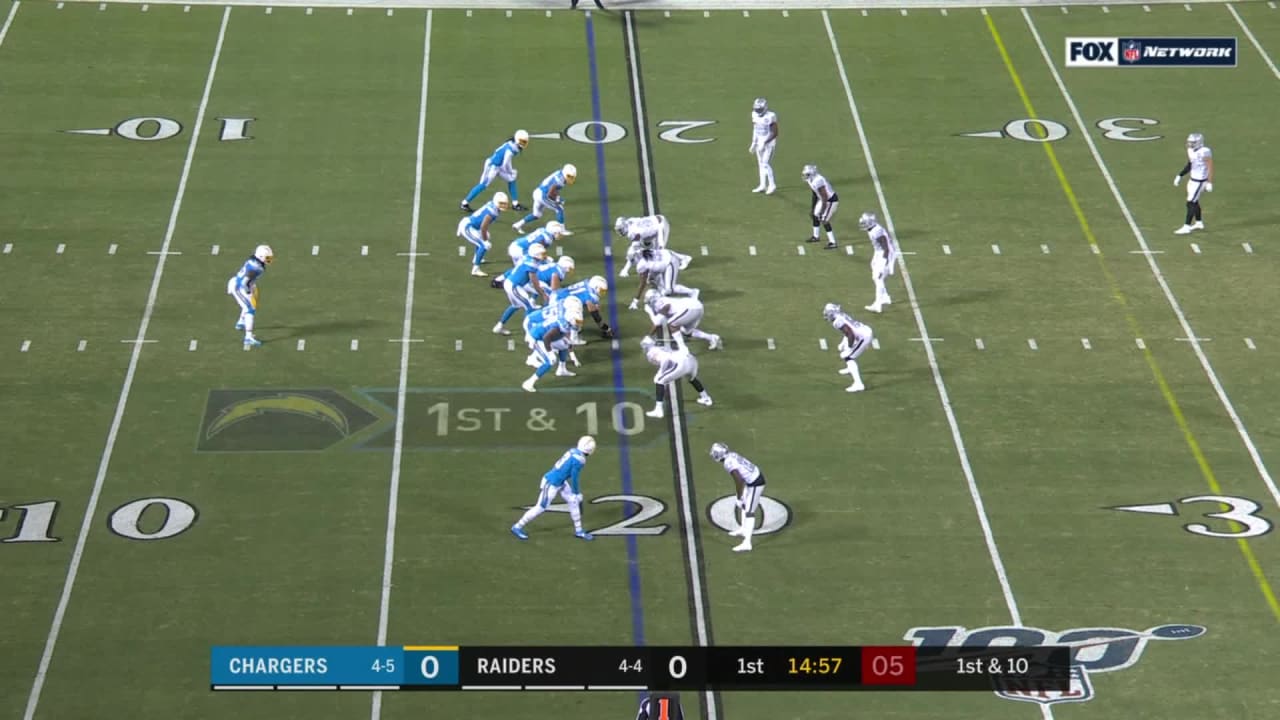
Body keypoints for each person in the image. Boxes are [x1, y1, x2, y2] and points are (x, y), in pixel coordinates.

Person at [511, 435, 597, 541]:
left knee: (573, 502)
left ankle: (579, 530)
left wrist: (575, 495)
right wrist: (576, 493)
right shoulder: (580, 460)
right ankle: (517, 526)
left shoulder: (573, 451)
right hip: (551, 483)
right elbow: (575, 477)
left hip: (560, 481)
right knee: (540, 507)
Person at [709, 443, 767, 553]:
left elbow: (739, 480)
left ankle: (747, 543)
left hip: (756, 483)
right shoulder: (731, 455)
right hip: (753, 478)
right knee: (744, 504)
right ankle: (743, 529)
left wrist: (739, 496)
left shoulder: (728, 462)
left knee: (750, 512)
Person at [226, 245, 273, 348]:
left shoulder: (254, 261)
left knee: (249, 305)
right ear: (261, 257)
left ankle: (241, 322)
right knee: (250, 309)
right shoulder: (256, 267)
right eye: (267, 258)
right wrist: (248, 293)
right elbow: (244, 282)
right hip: (239, 287)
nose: (269, 260)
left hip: (241, 283)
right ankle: (248, 337)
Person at [823, 303, 873, 393]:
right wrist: (843, 344)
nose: (826, 314)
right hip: (864, 330)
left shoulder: (837, 321)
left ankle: (858, 384)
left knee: (848, 357)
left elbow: (850, 334)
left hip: (863, 337)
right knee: (846, 350)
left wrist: (850, 347)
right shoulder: (840, 315)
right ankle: (850, 368)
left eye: (827, 312)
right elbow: (848, 331)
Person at [1173, 132, 1213, 235]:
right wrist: (1180, 175)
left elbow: (1210, 167)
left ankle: (1186, 226)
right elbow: (1190, 164)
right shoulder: (1190, 150)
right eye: (1190, 142)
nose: (1190, 144)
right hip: (1192, 180)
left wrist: (1209, 182)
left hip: (1200, 181)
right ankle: (1199, 223)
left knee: (1190, 202)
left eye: (1192, 142)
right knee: (1194, 202)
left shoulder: (1205, 151)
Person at [859, 211, 898, 313]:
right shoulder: (873, 229)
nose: (863, 224)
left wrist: (884, 263)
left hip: (885, 254)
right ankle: (885, 297)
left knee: (878, 277)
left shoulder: (877, 231)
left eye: (864, 222)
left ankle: (878, 304)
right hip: (879, 252)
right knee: (875, 276)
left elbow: (886, 248)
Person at [802, 164, 839, 249]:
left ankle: (833, 242)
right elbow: (814, 194)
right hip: (822, 199)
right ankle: (816, 236)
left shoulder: (818, 180)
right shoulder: (810, 180)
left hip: (831, 200)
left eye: (807, 174)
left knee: (824, 220)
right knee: (814, 215)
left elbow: (825, 197)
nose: (805, 176)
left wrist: (822, 211)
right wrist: (813, 208)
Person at [748, 97, 778, 194]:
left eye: (760, 109)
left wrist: (764, 142)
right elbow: (755, 129)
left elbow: (775, 133)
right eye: (757, 109)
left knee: (765, 163)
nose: (758, 111)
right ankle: (762, 185)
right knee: (760, 164)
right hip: (759, 142)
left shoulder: (770, 116)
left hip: (769, 144)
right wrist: (754, 142)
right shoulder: (754, 115)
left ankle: (772, 185)